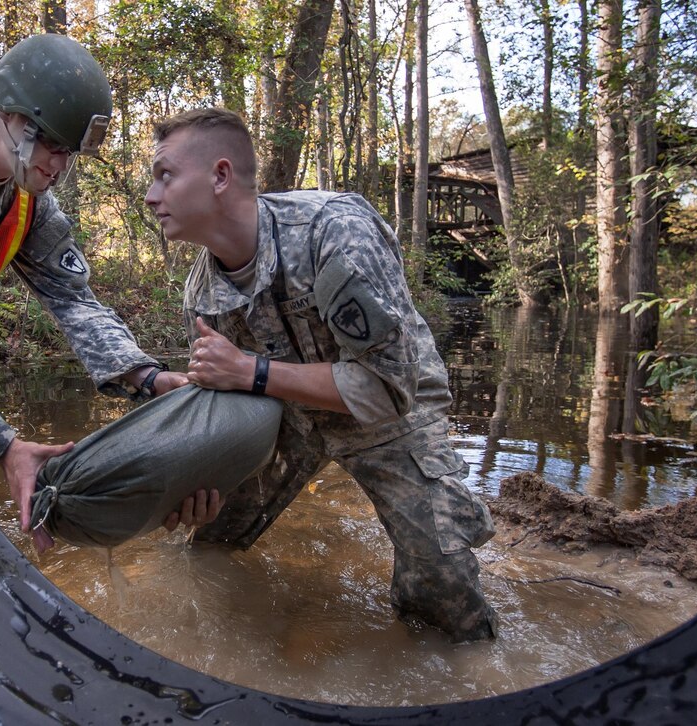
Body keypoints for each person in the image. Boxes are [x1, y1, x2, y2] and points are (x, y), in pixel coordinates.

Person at [144, 108, 498, 641]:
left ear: (219, 176)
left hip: (394, 412)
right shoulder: (201, 293)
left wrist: (249, 370)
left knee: (444, 593)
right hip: (284, 417)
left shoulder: (333, 231)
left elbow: (386, 390)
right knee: (209, 548)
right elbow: (228, 399)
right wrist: (201, 474)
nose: (151, 196)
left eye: (164, 175)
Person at [0, 34, 219, 553]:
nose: (60, 166)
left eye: (71, 153)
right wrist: (4, 446)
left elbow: (73, 298)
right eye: (54, 146)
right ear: (16, 118)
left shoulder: (26, 203)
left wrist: (147, 377)